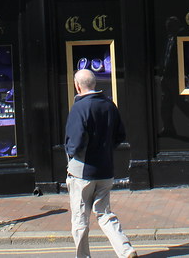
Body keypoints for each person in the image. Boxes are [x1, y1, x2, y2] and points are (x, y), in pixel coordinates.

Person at [64, 68, 137, 258]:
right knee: (104, 213)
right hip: (105, 170)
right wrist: (104, 149)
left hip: (82, 172)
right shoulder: (109, 105)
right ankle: (126, 250)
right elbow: (120, 135)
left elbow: (75, 141)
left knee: (80, 219)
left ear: (77, 85)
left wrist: (71, 154)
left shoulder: (79, 107)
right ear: (94, 84)